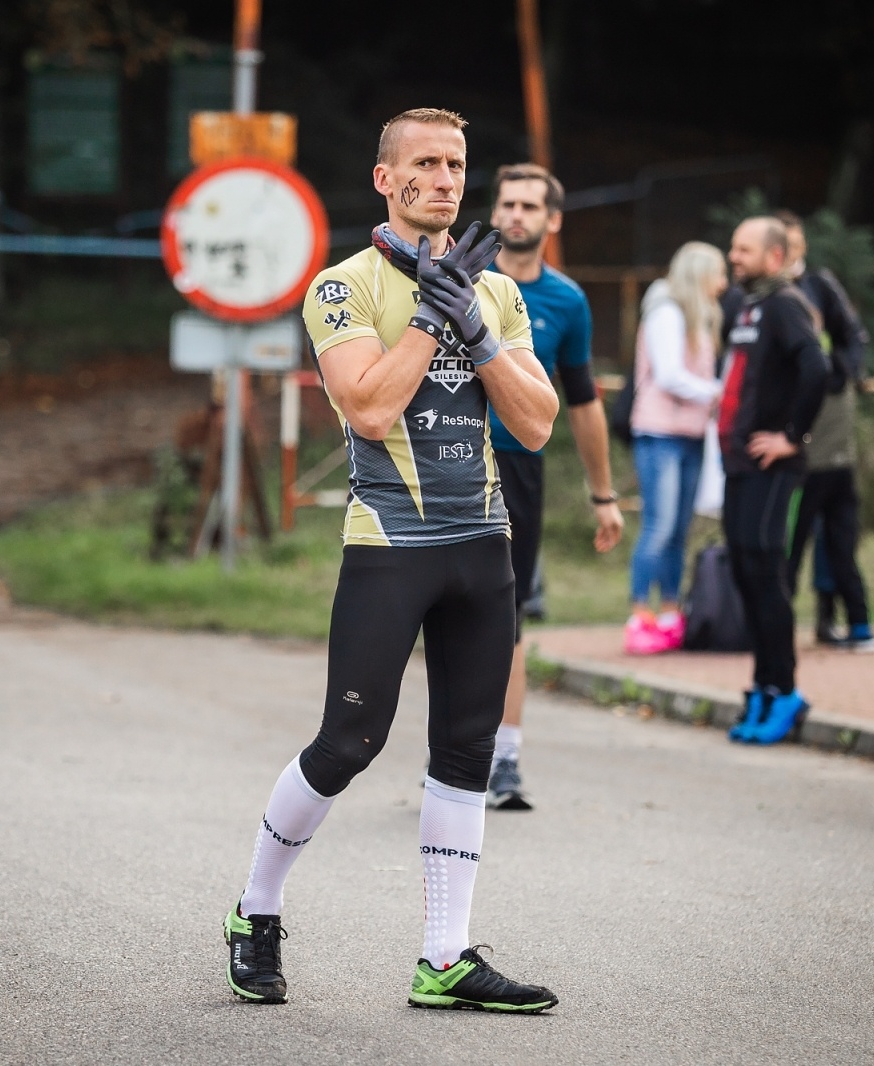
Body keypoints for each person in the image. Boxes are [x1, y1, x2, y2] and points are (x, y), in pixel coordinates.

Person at [223, 108, 560, 1013]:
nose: (447, 180)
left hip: (481, 548)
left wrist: (477, 329)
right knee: (349, 742)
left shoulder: (498, 291)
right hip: (390, 551)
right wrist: (428, 311)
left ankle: (444, 957)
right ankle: (255, 912)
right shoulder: (343, 286)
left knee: (466, 753)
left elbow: (535, 423)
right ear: (385, 179)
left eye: (456, 164)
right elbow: (368, 409)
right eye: (426, 164)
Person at [481, 162, 624, 810]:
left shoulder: (566, 301)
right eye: (507, 203)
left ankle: (504, 760)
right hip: (449, 464)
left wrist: (604, 494)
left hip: (519, 470)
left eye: (529, 206)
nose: (515, 215)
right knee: (450, 613)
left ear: (551, 220)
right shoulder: (462, 280)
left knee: (507, 616)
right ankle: (452, 748)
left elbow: (584, 402)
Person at [719, 217, 830, 745]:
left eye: (743, 249)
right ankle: (761, 686)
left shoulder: (786, 304)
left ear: (775, 255)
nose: (733, 256)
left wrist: (792, 435)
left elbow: (817, 367)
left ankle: (784, 690)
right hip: (738, 465)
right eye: (733, 248)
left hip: (773, 467)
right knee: (744, 571)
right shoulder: (746, 306)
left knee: (767, 574)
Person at [774, 211, 874, 652]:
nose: (793, 253)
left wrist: (838, 374)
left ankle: (842, 619)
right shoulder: (768, 296)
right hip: (791, 435)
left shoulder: (820, 286)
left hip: (832, 430)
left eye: (797, 245)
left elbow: (854, 337)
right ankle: (777, 625)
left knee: (839, 533)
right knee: (790, 539)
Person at [624, 241, 725, 655]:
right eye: (718, 273)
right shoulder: (667, 311)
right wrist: (719, 392)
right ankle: (638, 613)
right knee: (659, 526)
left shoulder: (699, 318)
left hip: (691, 433)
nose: (724, 283)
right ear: (699, 274)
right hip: (660, 433)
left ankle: (669, 611)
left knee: (679, 531)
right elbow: (669, 375)